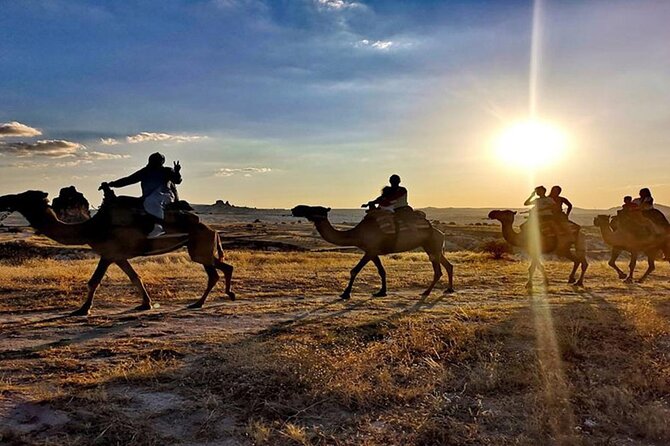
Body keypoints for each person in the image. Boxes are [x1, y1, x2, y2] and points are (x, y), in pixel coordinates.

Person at [101, 152, 182, 238]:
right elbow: (129, 180)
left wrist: (177, 172)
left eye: (156, 161)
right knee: (122, 200)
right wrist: (111, 184)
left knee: (152, 201)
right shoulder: (145, 171)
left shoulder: (166, 171)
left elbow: (177, 180)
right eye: (152, 160)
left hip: (164, 196)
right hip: (147, 197)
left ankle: (158, 227)